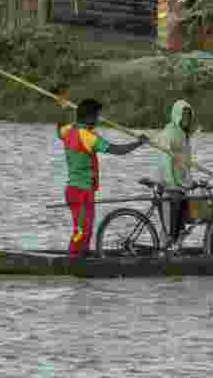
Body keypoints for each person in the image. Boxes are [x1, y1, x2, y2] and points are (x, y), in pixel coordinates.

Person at [58, 98, 148, 262]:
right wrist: (138, 143)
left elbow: (59, 129)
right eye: (98, 116)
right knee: (81, 230)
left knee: (87, 229)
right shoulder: (88, 137)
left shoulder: (68, 130)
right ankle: (71, 259)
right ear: (90, 117)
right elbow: (117, 150)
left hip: (81, 190)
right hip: (79, 191)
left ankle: (82, 256)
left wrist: (64, 109)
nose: (100, 120)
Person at [157, 99, 196, 251]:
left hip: (180, 185)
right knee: (170, 223)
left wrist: (189, 181)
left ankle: (174, 247)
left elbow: (186, 162)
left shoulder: (184, 135)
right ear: (176, 115)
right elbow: (166, 159)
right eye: (183, 115)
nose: (186, 119)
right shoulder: (169, 133)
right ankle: (164, 249)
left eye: (189, 116)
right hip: (168, 185)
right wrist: (171, 182)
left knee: (180, 221)